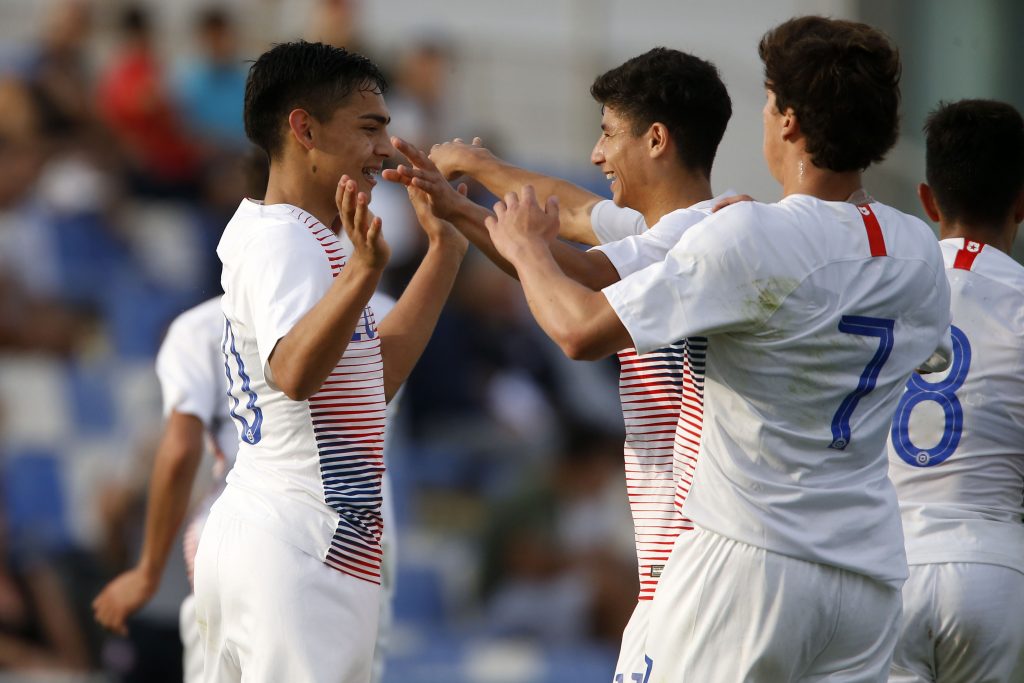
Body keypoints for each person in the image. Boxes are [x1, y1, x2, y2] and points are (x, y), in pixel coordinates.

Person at [476, 17, 952, 682]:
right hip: (867, 581)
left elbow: (579, 330)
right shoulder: (917, 250)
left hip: (749, 561)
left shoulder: (751, 233)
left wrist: (527, 249)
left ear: (788, 121)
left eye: (768, 101)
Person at [406, 47, 734, 682]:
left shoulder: (696, 239)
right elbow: (574, 215)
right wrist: (470, 187)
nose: (595, 154)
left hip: (698, 555)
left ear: (656, 139)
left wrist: (497, 227)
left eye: (608, 133)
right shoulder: (668, 234)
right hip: (676, 555)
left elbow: (577, 294)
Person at [192, 41, 466, 683]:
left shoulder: (299, 235)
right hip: (303, 542)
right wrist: (364, 274)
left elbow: (371, 379)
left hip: (276, 537)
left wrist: (444, 250)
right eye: (369, 128)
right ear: (304, 128)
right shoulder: (288, 239)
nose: (384, 149)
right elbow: (292, 372)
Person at [93, 293, 403, 683]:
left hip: (228, 554)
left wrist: (145, 570)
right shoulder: (380, 313)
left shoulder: (194, 343)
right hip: (341, 545)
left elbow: (160, 469)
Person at [887, 100, 1024, 683]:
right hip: (993, 566)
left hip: (884, 565)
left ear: (928, 200)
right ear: (1021, 202)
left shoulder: (878, 291)